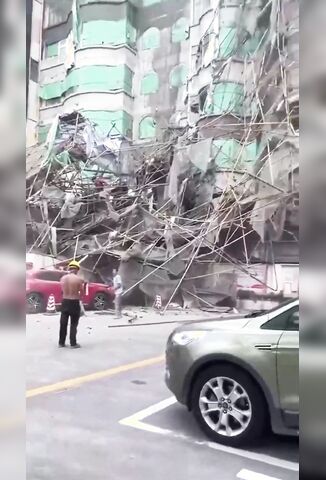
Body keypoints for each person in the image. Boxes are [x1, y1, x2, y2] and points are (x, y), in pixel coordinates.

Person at [59, 260, 84, 349]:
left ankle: (61, 343)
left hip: (65, 301)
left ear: (70, 268)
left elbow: (61, 291)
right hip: (74, 302)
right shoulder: (79, 279)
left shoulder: (62, 278)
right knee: (73, 324)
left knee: (63, 323)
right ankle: (73, 343)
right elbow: (81, 293)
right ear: (77, 269)